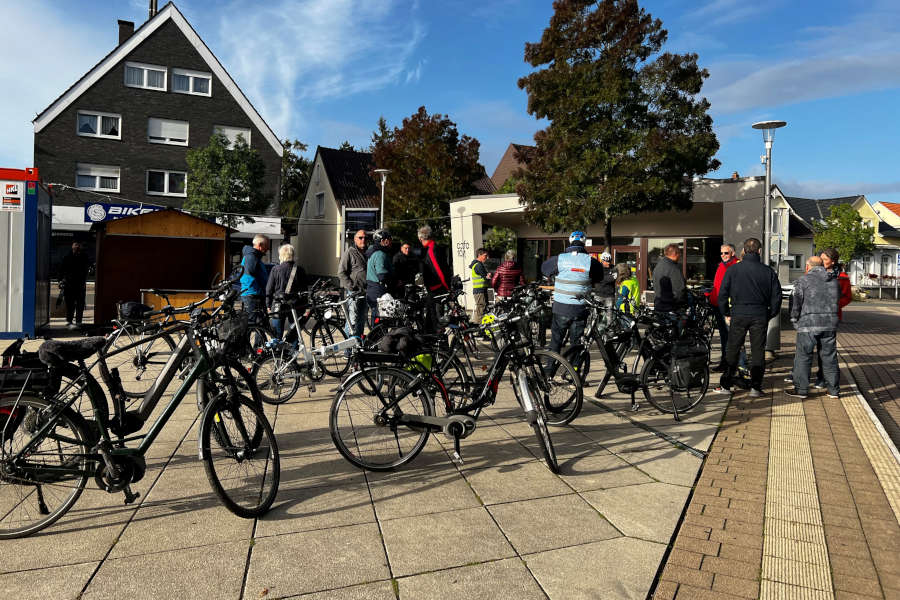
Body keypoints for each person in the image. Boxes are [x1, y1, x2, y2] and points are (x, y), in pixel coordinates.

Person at [715, 238, 782, 397]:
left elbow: (722, 294)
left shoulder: (733, 270)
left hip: (738, 313)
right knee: (758, 351)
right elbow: (776, 297)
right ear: (759, 251)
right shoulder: (768, 271)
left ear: (744, 251)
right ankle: (755, 387)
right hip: (759, 314)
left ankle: (726, 385)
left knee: (733, 349)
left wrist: (726, 312)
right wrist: (769, 313)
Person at [541, 231, 605, 361]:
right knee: (576, 344)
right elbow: (600, 277)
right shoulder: (591, 261)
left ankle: (549, 372)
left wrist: (554, 276)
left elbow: (544, 268)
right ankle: (574, 373)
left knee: (556, 342)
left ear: (570, 242)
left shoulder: (560, 259)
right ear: (584, 243)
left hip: (560, 307)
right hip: (580, 309)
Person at [786, 256, 840, 399]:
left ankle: (801, 389)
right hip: (829, 323)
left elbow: (796, 303)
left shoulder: (803, 280)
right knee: (829, 357)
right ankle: (833, 390)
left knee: (803, 356)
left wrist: (794, 320)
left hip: (808, 323)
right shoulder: (834, 280)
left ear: (808, 267)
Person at [266, 244, 306, 339]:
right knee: (295, 332)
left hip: (278, 304)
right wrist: (305, 305)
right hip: (296, 304)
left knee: (276, 333)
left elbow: (269, 289)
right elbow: (304, 289)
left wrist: (268, 304)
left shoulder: (276, 269)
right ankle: (292, 352)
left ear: (281, 255)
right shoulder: (300, 270)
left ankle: (277, 351)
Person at [710, 244, 738, 372]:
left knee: (731, 337)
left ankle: (733, 365)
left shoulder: (736, 265)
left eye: (726, 253)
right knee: (723, 336)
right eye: (721, 253)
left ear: (732, 253)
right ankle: (724, 362)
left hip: (728, 308)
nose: (723, 256)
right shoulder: (721, 265)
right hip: (718, 305)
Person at [418, 225, 450, 332]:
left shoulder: (431, 250)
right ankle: (429, 340)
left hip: (437, 288)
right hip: (435, 288)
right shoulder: (433, 248)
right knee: (431, 316)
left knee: (436, 318)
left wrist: (446, 286)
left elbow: (438, 270)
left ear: (421, 238)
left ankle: (437, 341)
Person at [339, 229, 368, 339]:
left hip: (365, 291)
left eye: (365, 237)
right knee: (352, 321)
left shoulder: (367, 253)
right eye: (360, 237)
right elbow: (341, 272)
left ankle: (357, 346)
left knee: (361, 320)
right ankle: (348, 350)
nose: (363, 240)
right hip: (354, 293)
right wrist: (351, 287)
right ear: (355, 239)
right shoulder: (350, 252)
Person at [240, 234, 270, 325]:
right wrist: (261, 289)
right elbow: (251, 274)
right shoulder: (251, 257)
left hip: (254, 294)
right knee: (252, 324)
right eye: (267, 246)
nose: (268, 249)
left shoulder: (254, 256)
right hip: (253, 294)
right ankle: (246, 339)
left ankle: (260, 339)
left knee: (261, 323)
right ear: (260, 245)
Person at [366, 229, 394, 323]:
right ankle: (377, 337)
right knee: (380, 321)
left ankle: (376, 336)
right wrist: (394, 281)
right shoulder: (380, 254)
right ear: (383, 241)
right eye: (389, 239)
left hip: (372, 289)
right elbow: (382, 275)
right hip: (378, 290)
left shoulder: (373, 251)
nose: (390, 242)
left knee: (377, 316)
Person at [61, 241, 91, 329]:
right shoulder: (69, 257)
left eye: (77, 247)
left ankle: (75, 321)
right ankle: (73, 321)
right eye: (75, 246)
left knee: (76, 304)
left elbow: (62, 270)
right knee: (74, 304)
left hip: (75, 284)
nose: (76, 248)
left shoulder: (69, 257)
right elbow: (62, 270)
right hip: (73, 284)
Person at [652, 243, 686, 313]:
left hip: (658, 305)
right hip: (671, 308)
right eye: (679, 253)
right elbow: (680, 290)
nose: (680, 256)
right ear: (675, 253)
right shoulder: (673, 268)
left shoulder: (658, 266)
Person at [469, 248, 490, 325]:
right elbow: (486, 277)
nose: (487, 257)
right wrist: (488, 276)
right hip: (479, 291)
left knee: (481, 309)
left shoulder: (477, 265)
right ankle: (479, 328)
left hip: (480, 290)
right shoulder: (478, 265)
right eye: (485, 255)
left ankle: (479, 327)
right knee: (481, 309)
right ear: (479, 255)